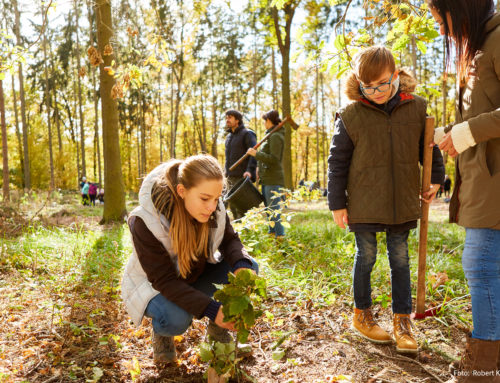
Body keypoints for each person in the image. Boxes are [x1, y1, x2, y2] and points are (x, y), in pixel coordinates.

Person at [327, 46, 445, 354]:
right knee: (365, 256)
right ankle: (362, 314)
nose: (376, 91)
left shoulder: (416, 107)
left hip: (402, 199)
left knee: (400, 258)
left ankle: (402, 321)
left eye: (382, 83)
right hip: (364, 199)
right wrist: (337, 202)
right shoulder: (350, 115)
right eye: (368, 86)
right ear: (359, 82)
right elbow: (337, 161)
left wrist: (435, 178)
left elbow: (429, 147)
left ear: (395, 75)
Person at [121, 154, 259, 364]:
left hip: (195, 274)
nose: (212, 207)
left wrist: (241, 264)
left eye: (216, 198)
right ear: (182, 191)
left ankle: (218, 331)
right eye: (205, 199)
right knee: (176, 320)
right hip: (157, 288)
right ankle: (163, 333)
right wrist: (212, 310)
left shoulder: (213, 207)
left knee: (249, 268)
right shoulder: (144, 221)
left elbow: (230, 239)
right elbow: (164, 280)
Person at [428, 1, 500, 381]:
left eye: (442, 19)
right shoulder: (482, 44)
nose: (441, 30)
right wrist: (451, 135)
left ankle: (485, 368)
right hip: (484, 181)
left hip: (496, 186)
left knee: (481, 265)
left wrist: (468, 132)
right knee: (486, 266)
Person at [246, 110, 286, 238]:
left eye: (265, 121)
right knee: (269, 211)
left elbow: (274, 159)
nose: (264, 124)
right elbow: (266, 158)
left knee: (274, 211)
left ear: (269, 121)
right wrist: (259, 168)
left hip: (273, 179)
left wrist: (256, 154)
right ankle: (272, 237)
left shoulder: (276, 136)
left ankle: (280, 238)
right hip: (266, 178)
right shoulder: (270, 135)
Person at [224, 110, 257, 220]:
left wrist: (249, 170)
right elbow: (228, 158)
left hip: (242, 177)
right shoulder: (228, 137)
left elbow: (253, 154)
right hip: (230, 177)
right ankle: (239, 233)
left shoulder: (247, 134)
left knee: (242, 208)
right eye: (226, 117)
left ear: (237, 120)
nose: (227, 120)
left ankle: (247, 232)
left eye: (230, 117)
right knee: (233, 207)